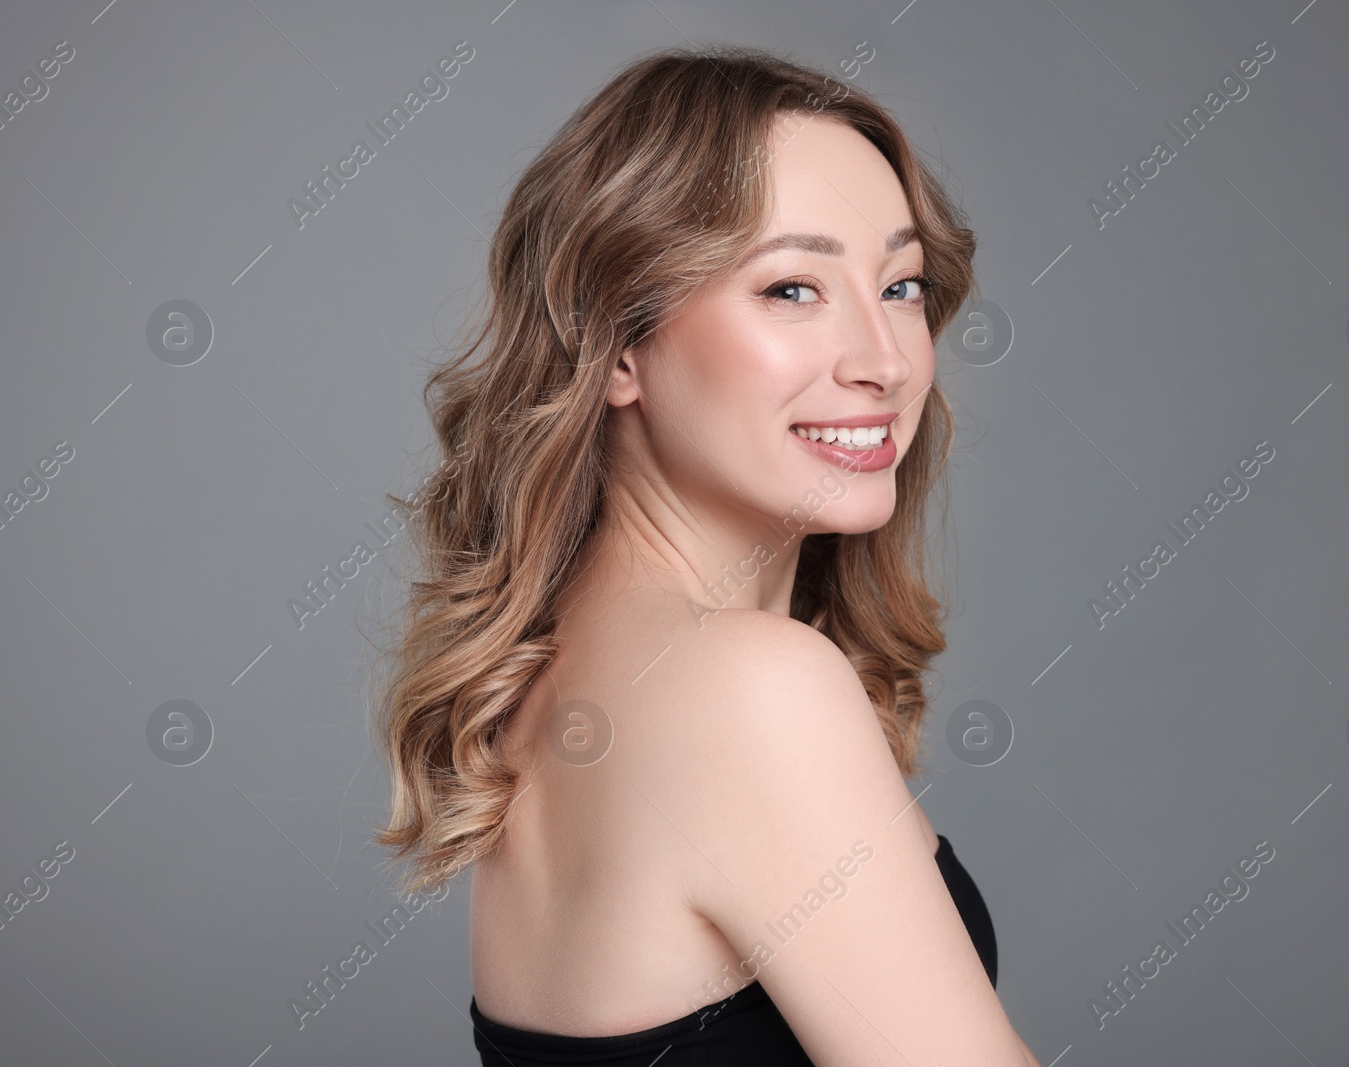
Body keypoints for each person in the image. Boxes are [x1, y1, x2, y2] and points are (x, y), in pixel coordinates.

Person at [369, 44, 1042, 1067]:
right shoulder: (749, 688)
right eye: (790, 289)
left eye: (900, 285)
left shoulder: (562, 669)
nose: (882, 360)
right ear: (619, 344)